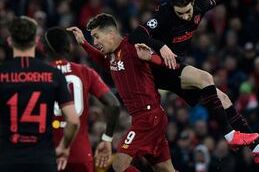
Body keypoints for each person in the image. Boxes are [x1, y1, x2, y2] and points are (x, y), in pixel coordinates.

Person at [129, 0, 259, 163]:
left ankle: (258, 149)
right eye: (180, 13)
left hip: (175, 68)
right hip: (159, 68)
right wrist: (160, 46)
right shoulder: (164, 13)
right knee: (206, 78)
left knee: (222, 98)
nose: (185, 16)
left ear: (193, 3)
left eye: (188, 11)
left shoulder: (201, 5)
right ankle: (230, 135)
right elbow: (136, 35)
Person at [68, 14, 177, 172]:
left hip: (148, 117)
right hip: (146, 117)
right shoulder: (113, 55)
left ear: (111, 34)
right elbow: (105, 63)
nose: (95, 42)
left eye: (97, 37)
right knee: (164, 169)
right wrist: (83, 43)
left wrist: (151, 58)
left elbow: (165, 64)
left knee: (120, 165)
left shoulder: (132, 47)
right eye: (93, 38)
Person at [0, 16, 79, 172]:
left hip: (7, 160)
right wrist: (64, 147)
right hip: (43, 160)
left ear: (10, 41)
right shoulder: (53, 75)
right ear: (36, 41)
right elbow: (73, 121)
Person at [43, 27, 121, 172]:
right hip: (80, 154)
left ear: (44, 49)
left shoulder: (39, 75)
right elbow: (114, 104)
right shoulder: (85, 72)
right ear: (70, 47)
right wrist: (107, 139)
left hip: (47, 153)